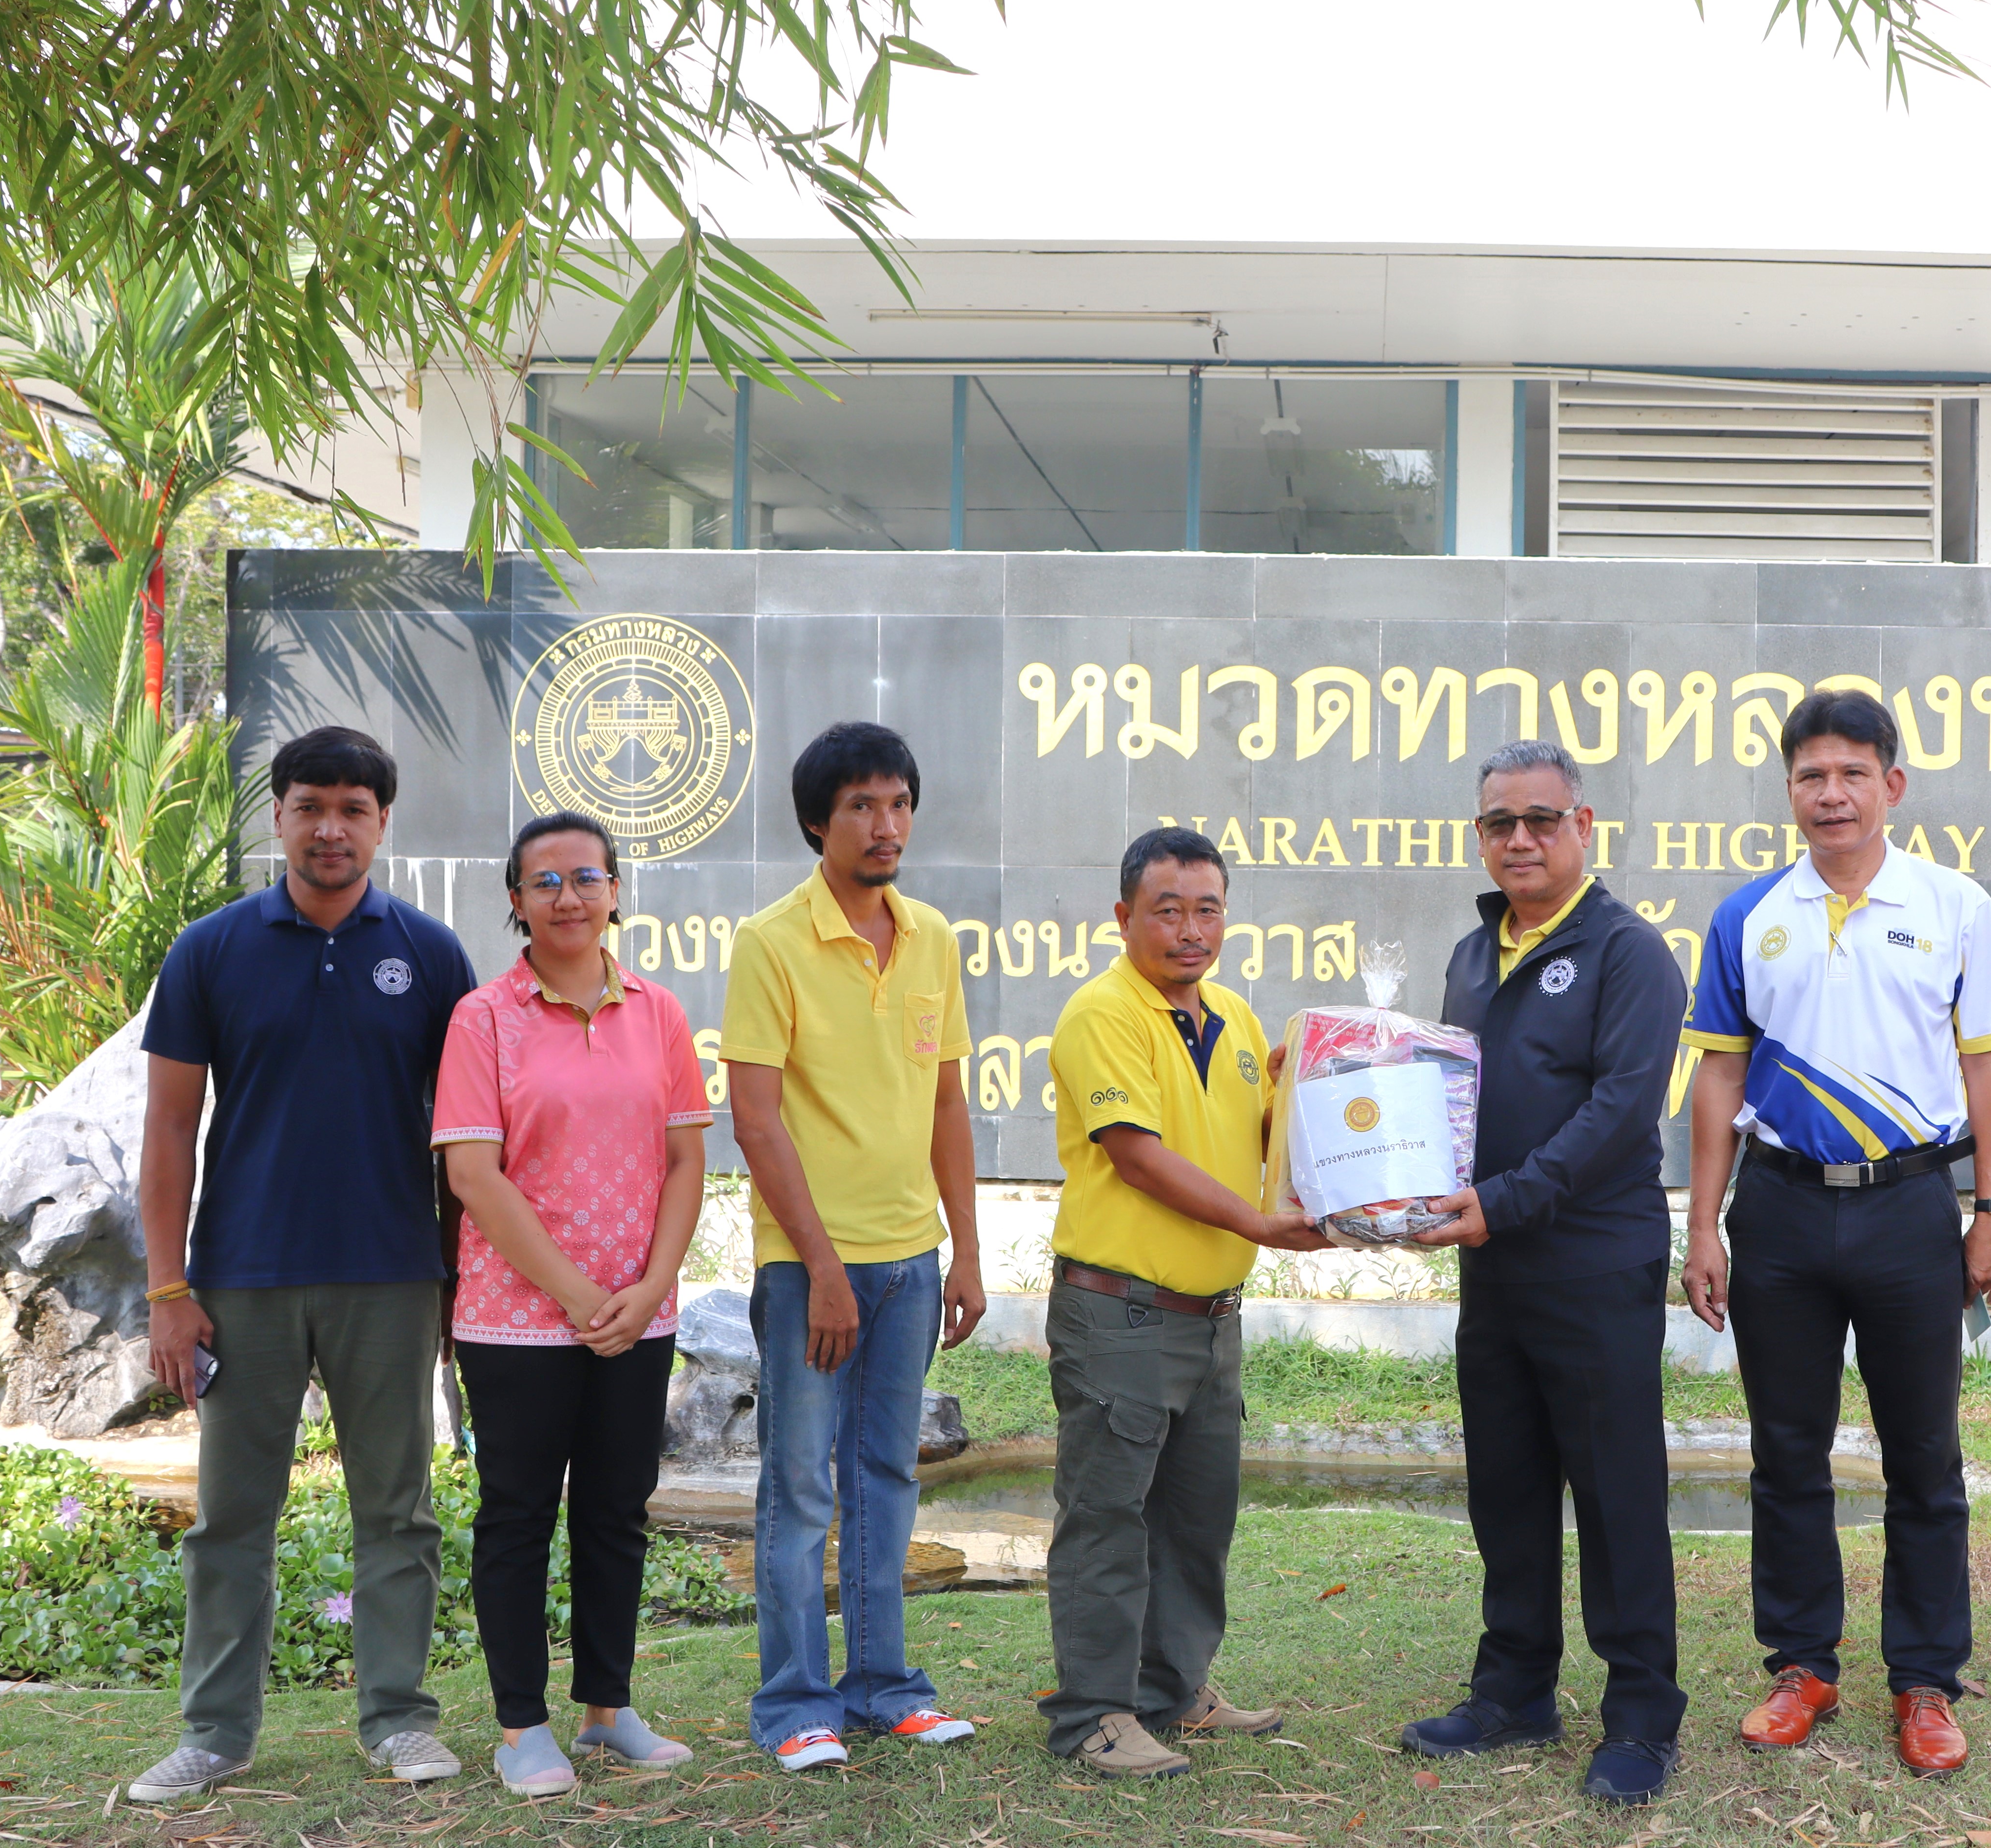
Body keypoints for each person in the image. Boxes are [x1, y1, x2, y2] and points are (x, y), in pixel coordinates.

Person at [1679, 690, 1991, 1777]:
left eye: (1852, 774)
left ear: (1893, 785)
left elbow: (1989, 1069)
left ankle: (1924, 1680)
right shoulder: (1748, 915)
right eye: (1810, 776)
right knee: (1787, 1450)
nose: (1831, 794)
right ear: (1789, 789)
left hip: (1908, 1208)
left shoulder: (1954, 904)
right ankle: (1803, 1667)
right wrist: (1704, 1225)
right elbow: (1719, 1075)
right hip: (1779, 1208)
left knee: (1924, 1454)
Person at [130, 727, 477, 1804]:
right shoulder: (210, 951)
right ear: (278, 816)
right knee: (232, 1517)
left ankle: (400, 1721)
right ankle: (216, 1733)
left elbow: (466, 1139)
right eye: (310, 806)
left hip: (392, 1273)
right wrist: (169, 1290)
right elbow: (169, 1131)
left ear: (382, 822)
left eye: (353, 809)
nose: (331, 828)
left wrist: (457, 1281)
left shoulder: (431, 955)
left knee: (399, 1513)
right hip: (243, 1279)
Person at [1396, 739, 1692, 1808]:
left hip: (1594, 1265)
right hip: (1494, 1267)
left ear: (1584, 825)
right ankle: (1515, 1690)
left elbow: (1620, 1114)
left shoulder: (1629, 953)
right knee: (1507, 1487)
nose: (1519, 838)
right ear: (1479, 836)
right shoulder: (1473, 956)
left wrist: (1506, 1200)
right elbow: (1444, 1101)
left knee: (1617, 1495)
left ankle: (1642, 1714)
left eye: (1540, 819)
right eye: (1499, 823)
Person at [722, 723, 988, 1769]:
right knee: (799, 1488)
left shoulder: (933, 937)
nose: (886, 825)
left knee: (885, 1478)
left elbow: (948, 1103)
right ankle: (796, 1704)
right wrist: (822, 1267)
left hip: (911, 1263)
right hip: (809, 1270)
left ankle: (884, 1688)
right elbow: (756, 1122)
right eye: (862, 806)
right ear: (816, 823)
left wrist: (967, 1251)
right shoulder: (771, 942)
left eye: (899, 803)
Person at [1038, 827, 1327, 1780]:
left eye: (1208, 909)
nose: (1191, 929)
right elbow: (1139, 1156)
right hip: (1120, 1313)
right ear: (1124, 916)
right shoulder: (1102, 1012)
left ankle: (1173, 1687)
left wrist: (1324, 1083)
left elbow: (1260, 1135)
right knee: (1108, 1516)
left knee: (1197, 1516)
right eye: (1168, 910)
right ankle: (1093, 1712)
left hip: (1211, 1316)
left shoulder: (1234, 1017)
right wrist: (1259, 1221)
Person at [433, 813, 711, 1796]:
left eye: (586, 877)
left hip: (638, 1315)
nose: (567, 896)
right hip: (515, 1321)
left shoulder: (659, 1013)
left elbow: (686, 1160)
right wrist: (583, 1295)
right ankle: (521, 1728)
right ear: (516, 900)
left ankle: (608, 1709)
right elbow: (474, 1174)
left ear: (615, 892)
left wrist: (649, 1289)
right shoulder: (483, 1019)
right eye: (544, 881)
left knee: (614, 1512)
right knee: (517, 1516)